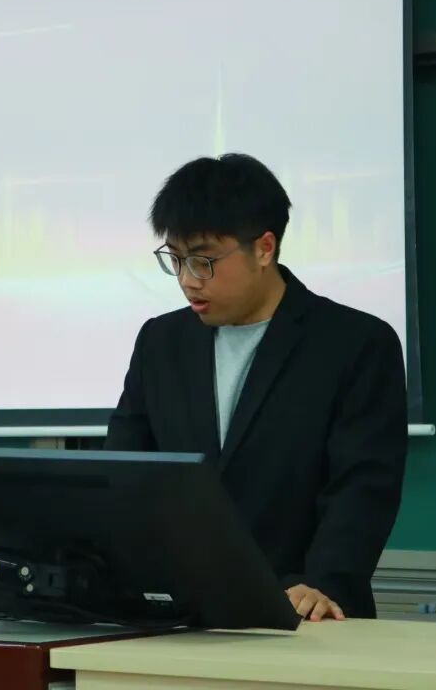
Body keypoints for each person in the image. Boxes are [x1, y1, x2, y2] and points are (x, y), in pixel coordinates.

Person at [105, 153, 408, 621]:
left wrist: (325, 584)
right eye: (176, 260)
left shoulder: (356, 343)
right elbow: (125, 472)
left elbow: (362, 487)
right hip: (178, 615)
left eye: (204, 261)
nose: (187, 280)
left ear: (264, 248)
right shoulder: (161, 341)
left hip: (304, 614)